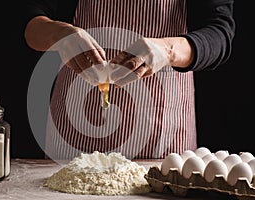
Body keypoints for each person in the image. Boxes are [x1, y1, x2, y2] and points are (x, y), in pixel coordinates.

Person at [23, 0, 235, 159]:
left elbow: (219, 31)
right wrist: (58, 35)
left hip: (162, 131)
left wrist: (168, 50)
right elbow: (28, 18)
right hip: (74, 126)